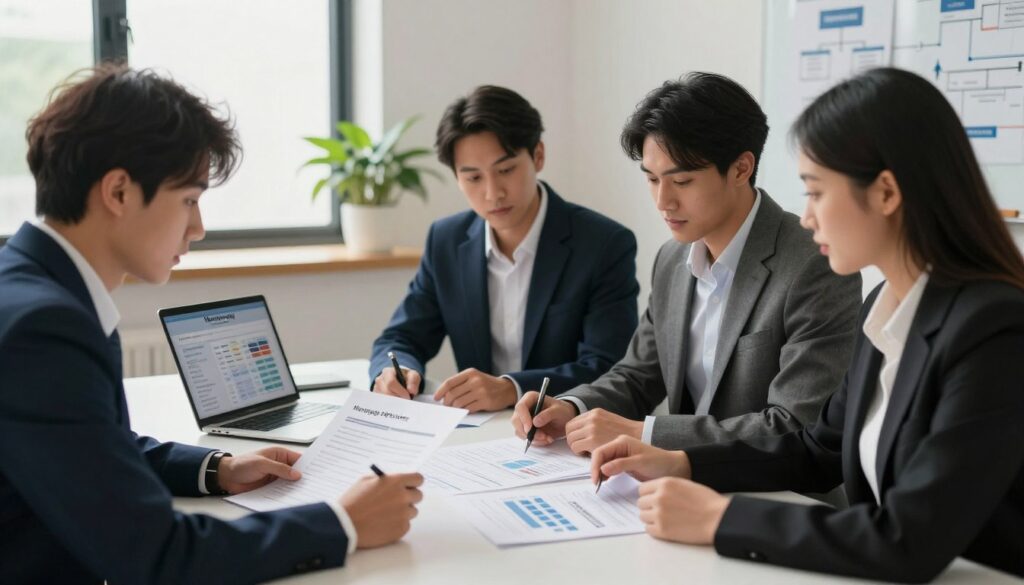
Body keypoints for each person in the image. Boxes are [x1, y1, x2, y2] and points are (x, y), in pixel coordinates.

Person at [590, 67, 1024, 581]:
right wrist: (682, 464)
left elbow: (909, 537)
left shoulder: (996, 330)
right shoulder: (887, 304)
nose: (808, 217)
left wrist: (720, 517)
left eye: (817, 192)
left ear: (886, 193)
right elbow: (815, 449)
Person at [0, 64, 422, 584]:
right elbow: (155, 555)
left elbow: (88, 452)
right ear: (118, 192)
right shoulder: (41, 329)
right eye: (190, 201)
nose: (198, 228)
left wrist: (216, 469)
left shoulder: (36, 289)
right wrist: (343, 523)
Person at [513, 73, 862, 454]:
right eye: (651, 179)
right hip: (676, 486)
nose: (663, 201)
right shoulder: (672, 258)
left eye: (681, 181)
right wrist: (570, 407)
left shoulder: (814, 264)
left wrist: (644, 435)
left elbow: (794, 425)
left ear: (742, 168)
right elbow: (638, 375)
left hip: (778, 496)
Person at [370, 85, 639, 412]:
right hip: (477, 434)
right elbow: (401, 338)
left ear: (538, 155)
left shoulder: (603, 244)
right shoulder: (447, 240)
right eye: (473, 178)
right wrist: (394, 371)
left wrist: (512, 388)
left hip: (562, 430)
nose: (492, 193)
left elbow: (607, 366)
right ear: (457, 177)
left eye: (506, 170)